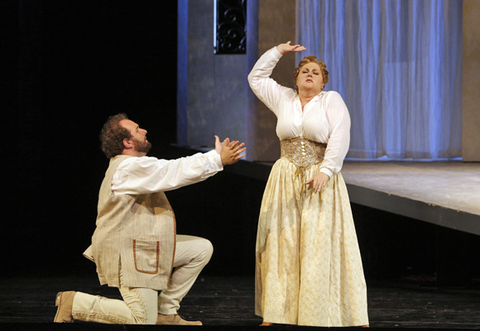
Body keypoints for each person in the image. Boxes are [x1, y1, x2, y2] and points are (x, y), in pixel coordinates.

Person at [53, 113, 246, 325]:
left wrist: (214, 157)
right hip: (125, 253)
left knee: (200, 249)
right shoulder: (127, 168)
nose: (144, 131)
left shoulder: (134, 166)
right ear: (127, 142)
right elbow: (172, 170)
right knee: (142, 319)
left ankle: (166, 312)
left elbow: (171, 169)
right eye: (137, 129)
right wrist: (216, 159)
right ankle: (74, 303)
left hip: (141, 246)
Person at [248, 42, 369, 327]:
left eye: (315, 72)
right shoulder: (284, 99)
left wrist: (326, 171)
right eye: (304, 70)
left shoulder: (331, 100)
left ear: (323, 80)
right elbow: (256, 78)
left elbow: (340, 135)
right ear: (297, 78)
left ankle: (334, 313)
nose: (309, 75)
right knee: (282, 242)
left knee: (318, 245)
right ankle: (277, 312)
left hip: (319, 176)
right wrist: (277, 51)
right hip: (285, 177)